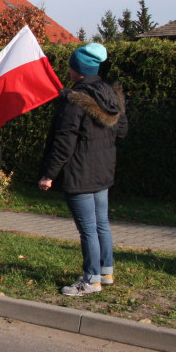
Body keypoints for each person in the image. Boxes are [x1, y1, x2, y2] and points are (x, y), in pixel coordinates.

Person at [38, 42, 128, 296]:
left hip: (80, 173)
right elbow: (121, 131)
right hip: (103, 171)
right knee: (102, 224)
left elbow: (64, 141)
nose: (68, 69)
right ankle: (105, 272)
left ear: (77, 70)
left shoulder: (74, 100)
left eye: (70, 65)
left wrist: (49, 174)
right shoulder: (110, 94)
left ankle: (91, 280)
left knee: (88, 229)